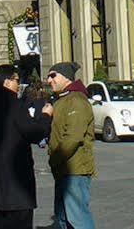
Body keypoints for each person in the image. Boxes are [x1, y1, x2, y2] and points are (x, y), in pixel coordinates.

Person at [0, 64, 52, 229]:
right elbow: (34, 133)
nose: (18, 84)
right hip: (18, 185)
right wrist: (45, 116)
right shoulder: (15, 106)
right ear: (6, 83)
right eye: (16, 80)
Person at [45, 62, 95, 229]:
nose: (48, 80)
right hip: (64, 169)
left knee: (77, 218)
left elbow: (72, 138)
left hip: (75, 169)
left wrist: (55, 159)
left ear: (66, 77)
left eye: (53, 75)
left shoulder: (76, 100)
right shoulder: (63, 100)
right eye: (48, 76)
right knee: (63, 219)